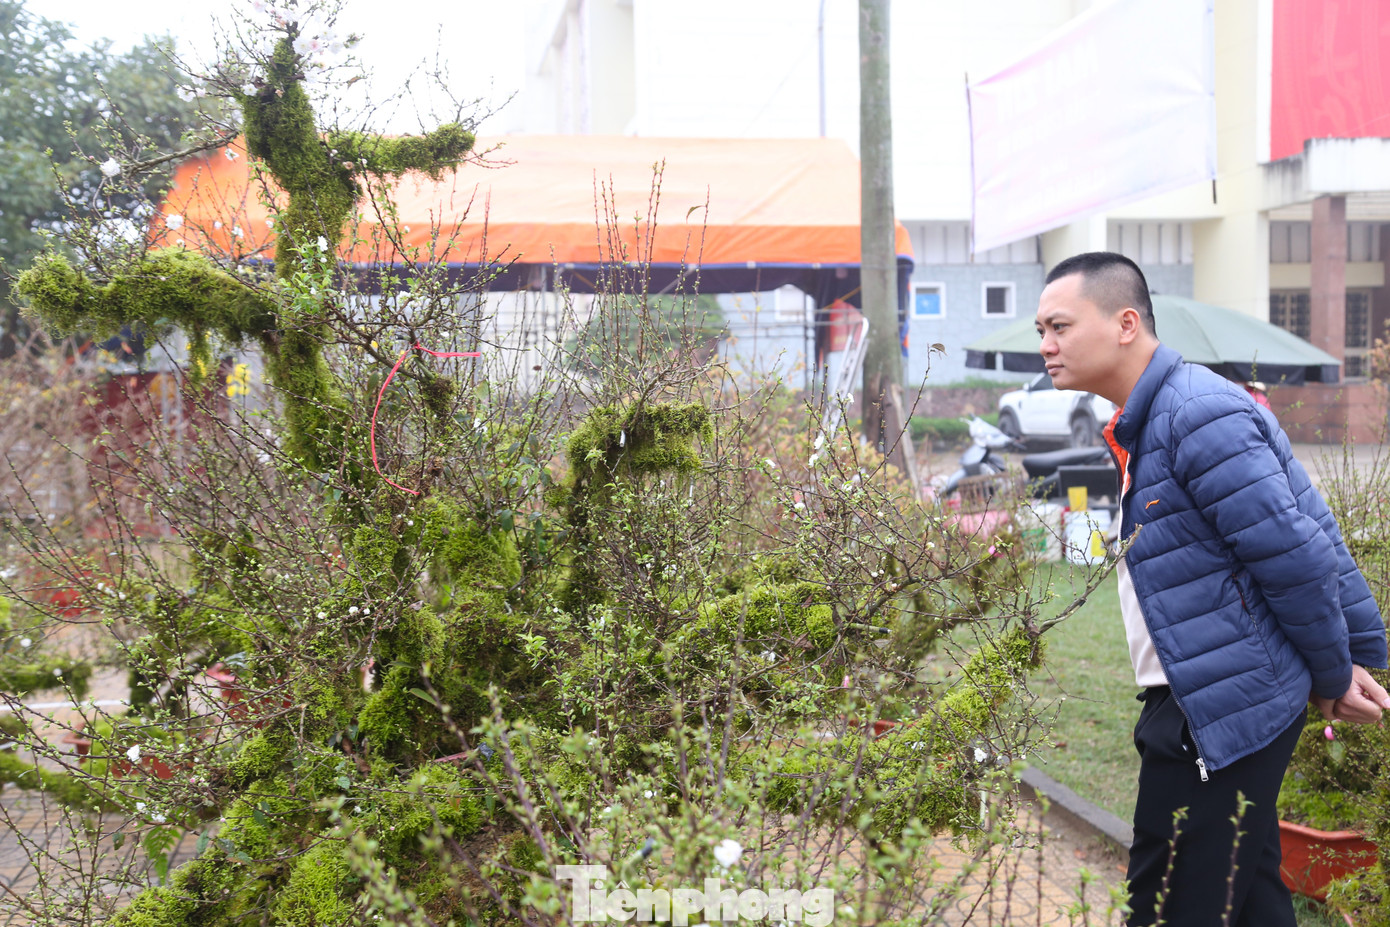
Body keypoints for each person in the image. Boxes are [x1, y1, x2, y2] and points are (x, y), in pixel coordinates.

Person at [1034, 252, 1390, 927]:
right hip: (1200, 695)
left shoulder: (1196, 414)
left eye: (1058, 326)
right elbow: (1304, 523)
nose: (1046, 346)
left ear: (1125, 323)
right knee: (1250, 897)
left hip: (1221, 707)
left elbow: (1297, 556)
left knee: (1170, 905)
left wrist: (1337, 670)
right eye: (1040, 330)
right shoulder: (1157, 418)